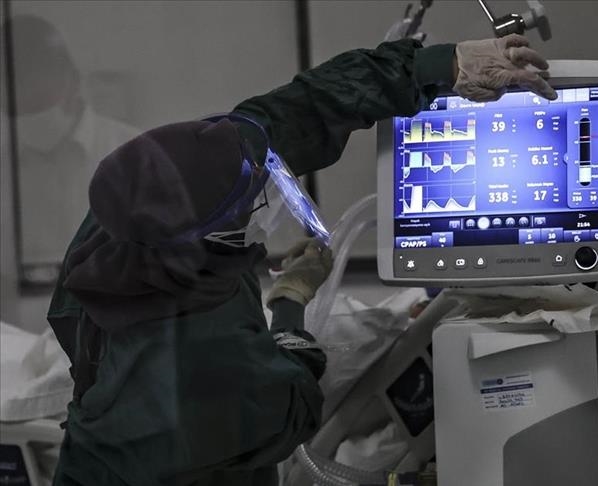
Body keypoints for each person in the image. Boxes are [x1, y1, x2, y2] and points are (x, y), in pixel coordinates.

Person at [46, 34, 555, 486]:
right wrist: (290, 301)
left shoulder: (129, 213)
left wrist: (438, 65)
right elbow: (292, 407)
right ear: (209, 239)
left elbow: (295, 111)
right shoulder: (197, 356)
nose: (265, 199)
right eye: (252, 201)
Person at [1, 15, 140, 279]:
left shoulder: (136, 154)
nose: (29, 114)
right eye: (15, 108)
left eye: (40, 101)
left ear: (73, 81)